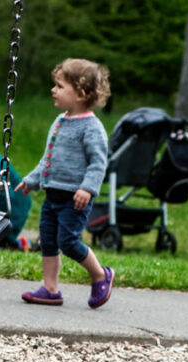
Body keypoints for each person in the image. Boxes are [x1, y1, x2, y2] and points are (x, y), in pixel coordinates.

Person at [15, 58, 114, 309]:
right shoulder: (60, 122)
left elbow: (98, 163)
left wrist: (88, 188)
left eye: (59, 86)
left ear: (80, 94)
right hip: (53, 196)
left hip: (75, 198)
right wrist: (32, 180)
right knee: (48, 240)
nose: (53, 90)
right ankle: (50, 289)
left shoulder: (92, 128)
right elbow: (48, 159)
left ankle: (100, 275)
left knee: (68, 242)